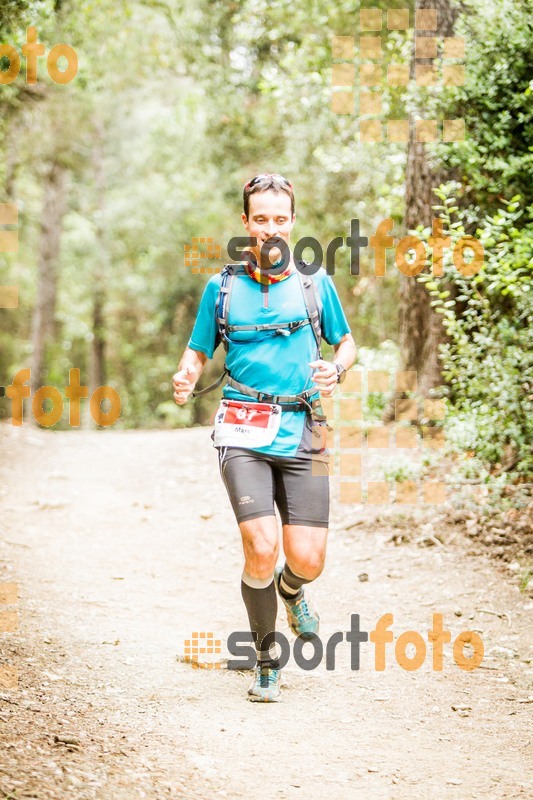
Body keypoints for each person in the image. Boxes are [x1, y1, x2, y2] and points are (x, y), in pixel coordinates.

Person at [173, 173, 357, 701]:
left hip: (308, 430)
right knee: (260, 546)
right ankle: (266, 659)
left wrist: (336, 370)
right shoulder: (223, 287)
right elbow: (197, 350)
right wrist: (186, 374)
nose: (270, 229)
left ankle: (291, 589)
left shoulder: (314, 282)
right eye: (261, 219)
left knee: (308, 559)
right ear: (246, 223)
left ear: (293, 222)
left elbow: (345, 344)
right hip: (243, 428)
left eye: (280, 219)